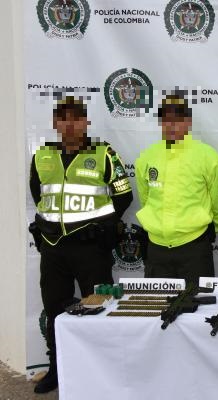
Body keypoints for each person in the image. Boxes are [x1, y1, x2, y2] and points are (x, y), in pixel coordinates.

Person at [29, 96, 133, 393]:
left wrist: (102, 226)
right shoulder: (42, 156)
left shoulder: (103, 153)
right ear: (56, 123)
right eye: (64, 119)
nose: (70, 125)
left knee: (99, 309)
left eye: (76, 118)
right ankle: (57, 369)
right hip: (53, 246)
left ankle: (103, 373)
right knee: (55, 310)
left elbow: (123, 195)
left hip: (91, 249)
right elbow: (38, 194)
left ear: (85, 122)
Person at [135, 94, 218, 285]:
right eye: (166, 119)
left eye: (177, 119)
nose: (171, 125)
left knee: (197, 302)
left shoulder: (208, 157)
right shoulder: (147, 157)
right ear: (161, 122)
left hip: (194, 247)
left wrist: (211, 228)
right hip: (157, 248)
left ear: (188, 122)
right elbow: (145, 199)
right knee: (157, 303)